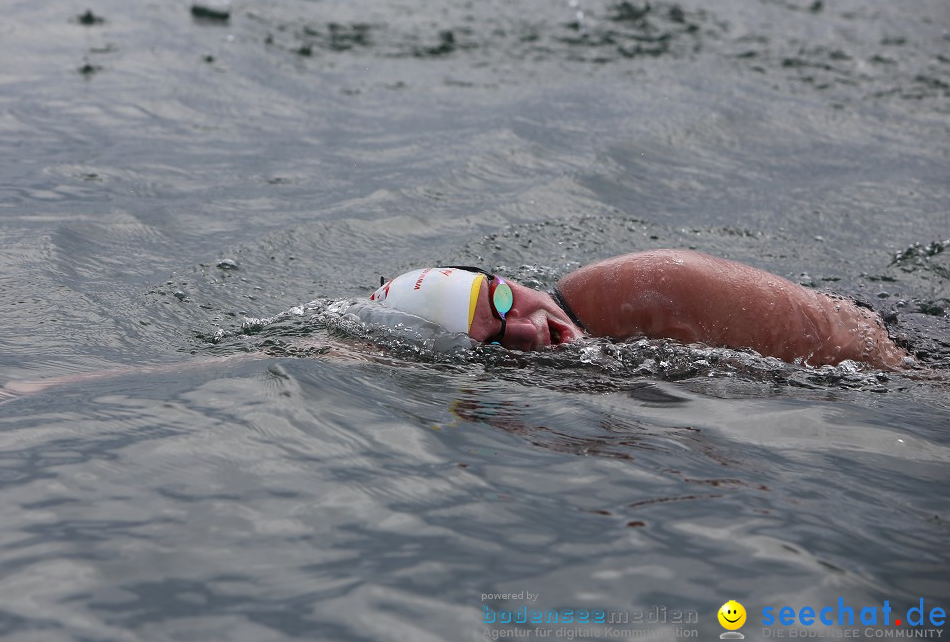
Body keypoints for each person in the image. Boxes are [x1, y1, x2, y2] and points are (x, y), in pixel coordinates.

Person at [371, 249, 906, 369]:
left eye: (504, 302)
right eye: (494, 341)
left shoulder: (644, 288)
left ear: (505, 280)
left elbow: (862, 346)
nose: (527, 331)